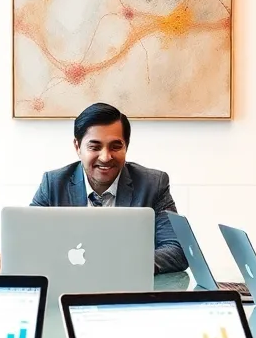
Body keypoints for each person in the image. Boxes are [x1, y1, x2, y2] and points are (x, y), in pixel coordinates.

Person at [30, 102, 186, 274]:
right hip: (68, 288)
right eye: (95, 147)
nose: (105, 157)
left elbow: (176, 249)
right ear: (77, 147)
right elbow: (28, 244)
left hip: (126, 292)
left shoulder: (153, 184)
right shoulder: (53, 184)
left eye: (116, 146)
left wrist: (120, 265)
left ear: (126, 146)